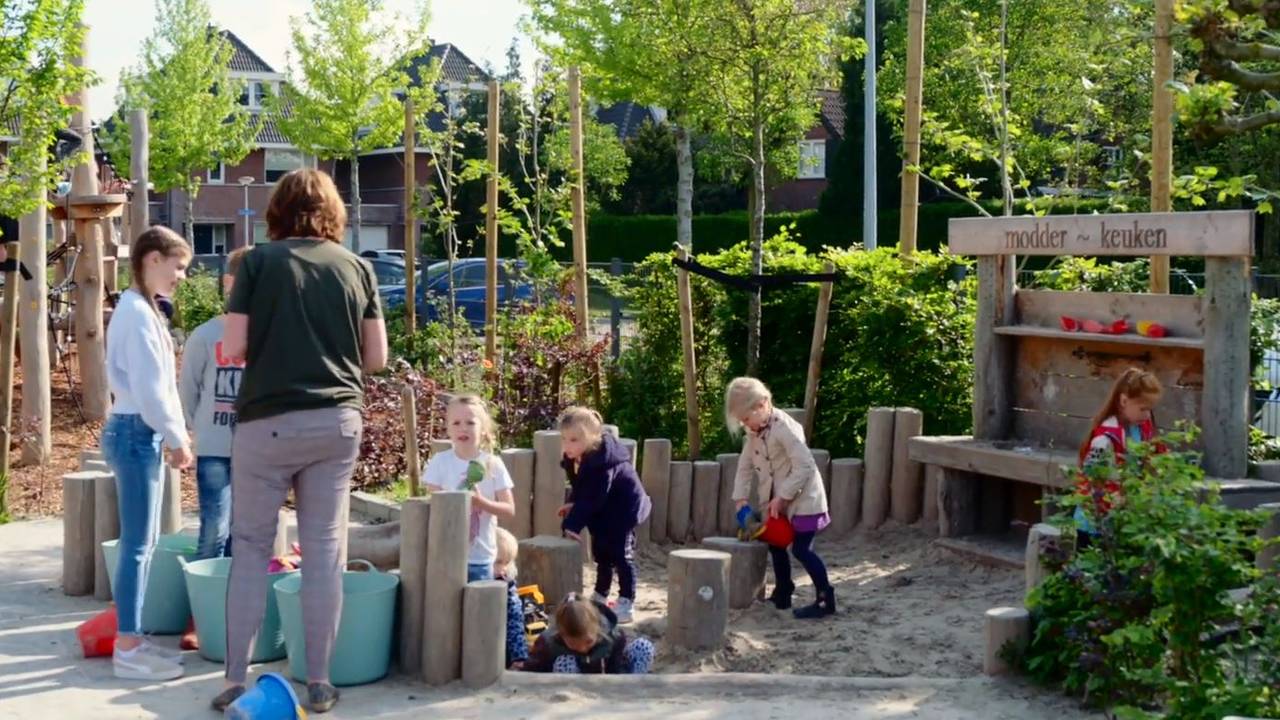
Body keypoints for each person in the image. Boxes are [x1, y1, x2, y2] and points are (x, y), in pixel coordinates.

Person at [214, 169, 387, 715]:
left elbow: (233, 346)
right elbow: (376, 358)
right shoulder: (357, 267)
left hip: (265, 422)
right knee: (323, 551)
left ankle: (236, 679)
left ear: (278, 211)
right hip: (335, 423)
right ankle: (319, 680)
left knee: (250, 549)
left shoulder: (258, 263)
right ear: (333, 212)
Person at [102, 226, 193, 681]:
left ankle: (133, 638)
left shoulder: (141, 308)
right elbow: (151, 389)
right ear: (152, 259)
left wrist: (173, 434)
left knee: (144, 543)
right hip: (137, 430)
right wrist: (177, 438)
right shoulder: (136, 314)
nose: (181, 276)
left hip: (140, 431)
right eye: (178, 266)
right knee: (137, 546)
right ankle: (127, 646)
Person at [725, 377, 834, 619]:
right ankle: (784, 591)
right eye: (741, 420)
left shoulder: (784, 428)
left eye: (746, 418)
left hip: (805, 500)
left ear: (762, 404)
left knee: (802, 550)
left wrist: (783, 496)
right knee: (776, 545)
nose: (744, 424)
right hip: (778, 502)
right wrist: (740, 498)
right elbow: (744, 467)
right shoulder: (754, 433)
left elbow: (805, 465)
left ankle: (825, 599)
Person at [178, 247, 249, 562]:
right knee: (214, 530)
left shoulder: (271, 336)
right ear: (228, 283)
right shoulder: (205, 335)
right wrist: (194, 432)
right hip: (215, 448)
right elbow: (188, 391)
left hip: (257, 452)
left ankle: (234, 592)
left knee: (245, 535)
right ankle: (203, 590)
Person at [557, 407, 650, 625]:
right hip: (606, 510)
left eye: (574, 440)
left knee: (621, 555)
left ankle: (626, 601)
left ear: (592, 438)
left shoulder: (603, 463)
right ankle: (600, 594)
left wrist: (573, 524)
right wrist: (573, 503)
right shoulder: (576, 458)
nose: (567, 445)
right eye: (564, 439)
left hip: (624, 510)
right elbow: (581, 487)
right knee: (602, 553)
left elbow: (593, 497)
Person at [422, 394, 516, 582]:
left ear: (483, 429)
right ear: (448, 428)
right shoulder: (440, 462)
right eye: (456, 423)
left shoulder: (493, 463)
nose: (463, 428)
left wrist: (481, 503)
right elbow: (433, 506)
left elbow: (509, 510)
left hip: (481, 558)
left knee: (479, 600)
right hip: (447, 555)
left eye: (470, 423)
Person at [1075, 368, 1164, 548]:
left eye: (1150, 409)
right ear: (1124, 401)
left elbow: (1158, 457)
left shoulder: (1141, 428)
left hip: (1125, 518)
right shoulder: (1104, 439)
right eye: (1143, 409)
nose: (1148, 415)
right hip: (1095, 523)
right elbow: (1091, 478)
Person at [521, 595, 654, 674]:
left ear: (597, 628)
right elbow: (533, 667)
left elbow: (617, 667)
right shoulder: (549, 642)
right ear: (561, 634)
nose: (583, 649)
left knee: (644, 646)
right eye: (573, 644)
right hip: (573, 689)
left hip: (611, 684)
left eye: (588, 641)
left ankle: (636, 688)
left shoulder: (613, 637)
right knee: (565, 662)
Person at [494, 527, 530, 669]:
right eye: (498, 562)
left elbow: (515, 621)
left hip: (503, 645)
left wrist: (519, 655)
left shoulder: (507, 584)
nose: (503, 568)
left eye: (507, 562)